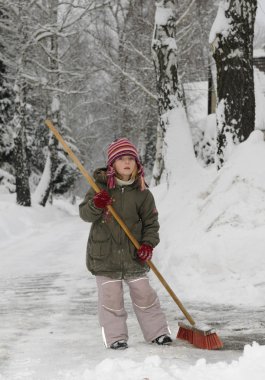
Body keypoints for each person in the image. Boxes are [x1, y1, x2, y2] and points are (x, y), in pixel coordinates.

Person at [79, 138, 172, 350]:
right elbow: (85, 214)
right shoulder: (99, 189)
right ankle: (115, 338)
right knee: (110, 300)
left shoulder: (143, 194)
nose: (127, 162)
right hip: (104, 257)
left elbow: (151, 224)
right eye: (121, 159)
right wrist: (96, 204)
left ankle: (158, 333)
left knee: (145, 295)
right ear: (112, 164)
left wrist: (148, 244)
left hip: (133, 256)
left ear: (137, 164)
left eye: (131, 158)